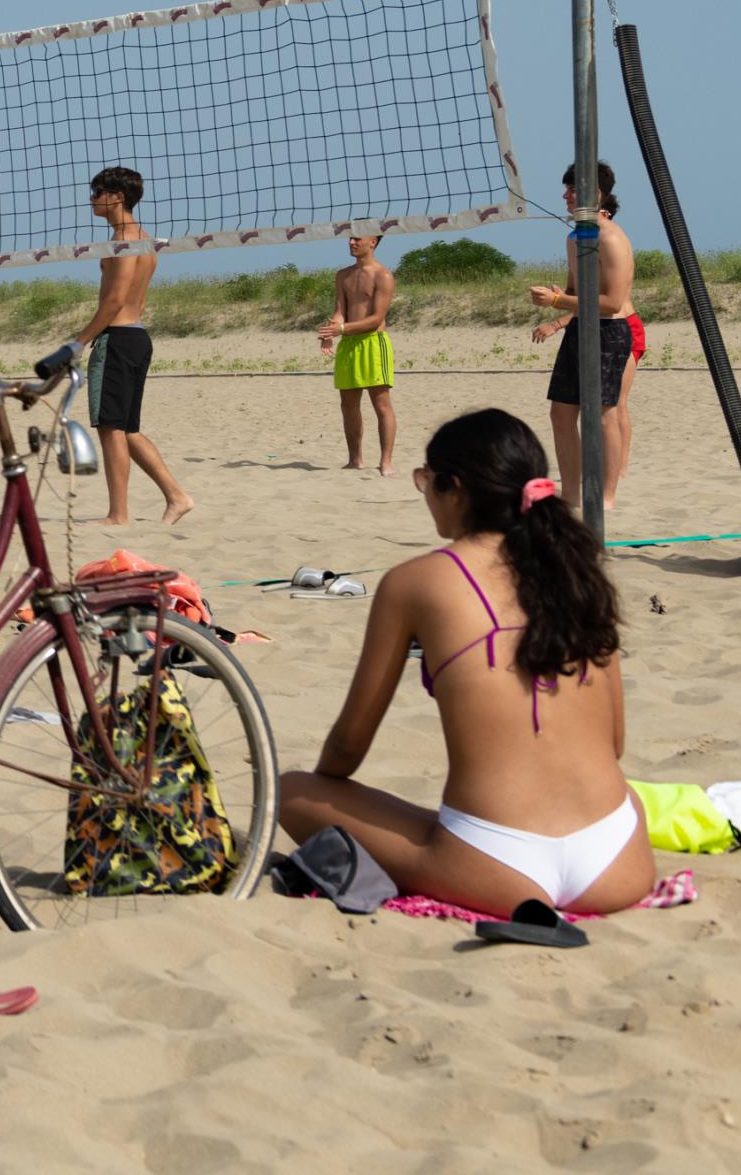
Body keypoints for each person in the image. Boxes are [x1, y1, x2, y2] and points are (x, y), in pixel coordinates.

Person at [276, 407, 654, 916]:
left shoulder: (415, 582)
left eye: (425, 481)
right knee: (621, 796)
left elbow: (348, 747)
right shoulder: (576, 570)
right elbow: (615, 743)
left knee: (293, 792)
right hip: (618, 861)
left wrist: (329, 787)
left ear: (454, 489)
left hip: (496, 864)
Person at [64, 166, 192, 525]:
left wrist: (78, 342)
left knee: (110, 428)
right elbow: (138, 300)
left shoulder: (123, 241)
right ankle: (177, 496)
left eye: (97, 192)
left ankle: (117, 515)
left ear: (117, 197)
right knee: (125, 429)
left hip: (118, 339)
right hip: (137, 337)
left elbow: (114, 301)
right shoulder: (145, 240)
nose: (91, 199)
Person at [530, 163, 639, 507]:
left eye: (573, 189)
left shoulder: (611, 238)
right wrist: (558, 298)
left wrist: (557, 302)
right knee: (560, 414)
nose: (565, 195)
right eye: (566, 189)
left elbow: (612, 302)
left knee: (605, 413)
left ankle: (606, 497)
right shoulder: (575, 236)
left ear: (595, 193)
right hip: (580, 328)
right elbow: (576, 292)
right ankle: (573, 495)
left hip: (610, 331)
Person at [318, 233, 399, 474]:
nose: (351, 243)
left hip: (373, 343)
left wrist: (341, 329)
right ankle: (355, 459)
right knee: (348, 405)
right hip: (348, 344)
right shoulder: (343, 275)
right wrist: (330, 330)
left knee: (381, 405)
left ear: (372, 241)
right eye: (350, 239)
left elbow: (376, 319)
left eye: (357, 239)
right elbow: (340, 311)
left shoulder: (383, 275)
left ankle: (385, 462)